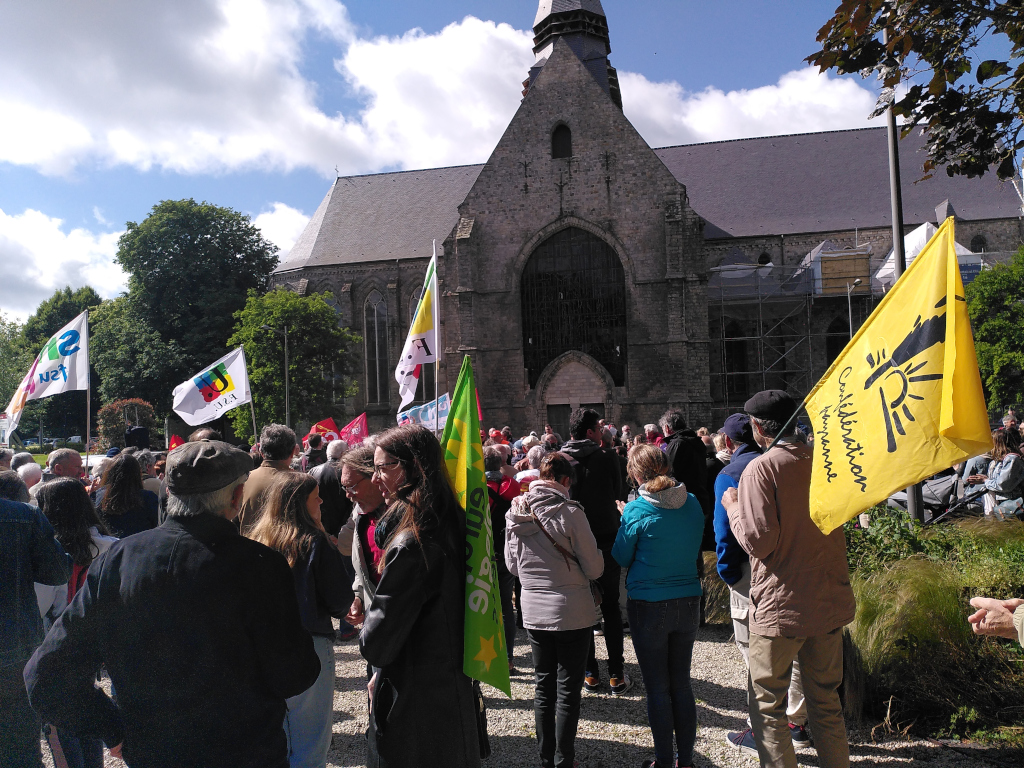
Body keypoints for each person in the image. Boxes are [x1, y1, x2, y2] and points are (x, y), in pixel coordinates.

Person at [25, 439, 320, 768]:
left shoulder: (120, 559)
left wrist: (114, 728)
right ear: (236, 497)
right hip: (244, 751)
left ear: (169, 493)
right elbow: (294, 674)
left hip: (155, 752)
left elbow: (46, 675)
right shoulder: (259, 564)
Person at [722, 390, 856, 768]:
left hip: (782, 604)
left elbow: (759, 542)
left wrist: (733, 508)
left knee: (767, 706)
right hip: (827, 597)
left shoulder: (761, 469)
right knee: (826, 702)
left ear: (758, 429)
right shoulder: (822, 459)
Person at [361, 425, 480, 768]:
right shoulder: (457, 519)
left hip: (416, 701)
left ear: (413, 466)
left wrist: (369, 625)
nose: (377, 478)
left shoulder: (413, 544)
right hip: (452, 684)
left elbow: (378, 643)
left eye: (384, 467)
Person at [712, 414, 812, 748]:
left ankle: (768, 727)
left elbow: (725, 533)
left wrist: (727, 573)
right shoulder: (787, 462)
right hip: (792, 566)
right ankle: (796, 723)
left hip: (748, 569)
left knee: (756, 650)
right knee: (794, 648)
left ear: (728, 442)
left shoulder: (731, 473)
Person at [248, 472, 353, 768]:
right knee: (310, 743)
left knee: (275, 739)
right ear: (300, 504)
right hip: (309, 647)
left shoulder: (255, 542)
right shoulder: (315, 542)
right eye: (316, 496)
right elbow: (339, 599)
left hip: (262, 649)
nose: (321, 501)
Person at [506, 452, 603, 768]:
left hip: (534, 610)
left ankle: (546, 759)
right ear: (564, 481)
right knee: (567, 690)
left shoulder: (516, 511)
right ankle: (564, 759)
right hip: (571, 611)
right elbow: (594, 567)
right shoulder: (571, 512)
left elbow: (513, 567)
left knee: (543, 686)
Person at [613, 445, 704, 768]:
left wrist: (625, 518)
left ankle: (665, 760)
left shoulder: (637, 510)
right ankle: (687, 760)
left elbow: (621, 556)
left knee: (657, 688)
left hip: (649, 603)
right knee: (681, 682)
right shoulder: (691, 503)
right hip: (688, 598)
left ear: (636, 475)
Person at [33, 478, 117, 768]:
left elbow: (42, 604)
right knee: (87, 705)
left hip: (58, 641)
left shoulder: (48, 553)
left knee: (59, 721)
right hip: (100, 640)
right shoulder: (114, 547)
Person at [560, 407, 629, 695]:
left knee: (582, 607)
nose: (602, 433)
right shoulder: (607, 457)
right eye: (599, 429)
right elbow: (620, 493)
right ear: (590, 432)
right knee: (611, 606)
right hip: (605, 540)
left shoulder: (560, 461)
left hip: (573, 542)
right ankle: (616, 674)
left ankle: (590, 673)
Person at [2, 487, 70, 768]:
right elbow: (57, 572)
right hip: (12, 651)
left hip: (14, 649)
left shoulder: (22, 517)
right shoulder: (22, 515)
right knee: (20, 751)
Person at [339, 445, 387, 629]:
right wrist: (358, 596)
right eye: (344, 487)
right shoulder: (359, 513)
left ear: (375, 477)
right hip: (378, 624)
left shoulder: (410, 515)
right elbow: (365, 567)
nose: (347, 495)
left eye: (351, 486)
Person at [485, 446, 521, 674]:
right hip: (506, 551)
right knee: (506, 605)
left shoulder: (476, 489)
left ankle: (487, 656)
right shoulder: (514, 487)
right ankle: (508, 659)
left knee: (483, 605)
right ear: (500, 464)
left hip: (483, 553)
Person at [238, 423, 298, 532]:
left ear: (261, 452)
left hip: (249, 546)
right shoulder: (301, 483)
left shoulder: (242, 481)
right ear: (293, 452)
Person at [93, 453, 159, 538]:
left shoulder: (97, 496)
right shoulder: (148, 498)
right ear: (137, 474)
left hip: (109, 547)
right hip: (140, 546)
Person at [966, 428, 1024, 518]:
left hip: (1012, 505)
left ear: (999, 443)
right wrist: (985, 479)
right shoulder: (999, 460)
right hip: (1001, 504)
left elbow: (1003, 485)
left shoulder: (1012, 459)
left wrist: (985, 480)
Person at [309, 438, 351, 536]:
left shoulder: (313, 471)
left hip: (320, 529)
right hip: (342, 529)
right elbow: (351, 504)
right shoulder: (347, 473)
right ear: (343, 454)